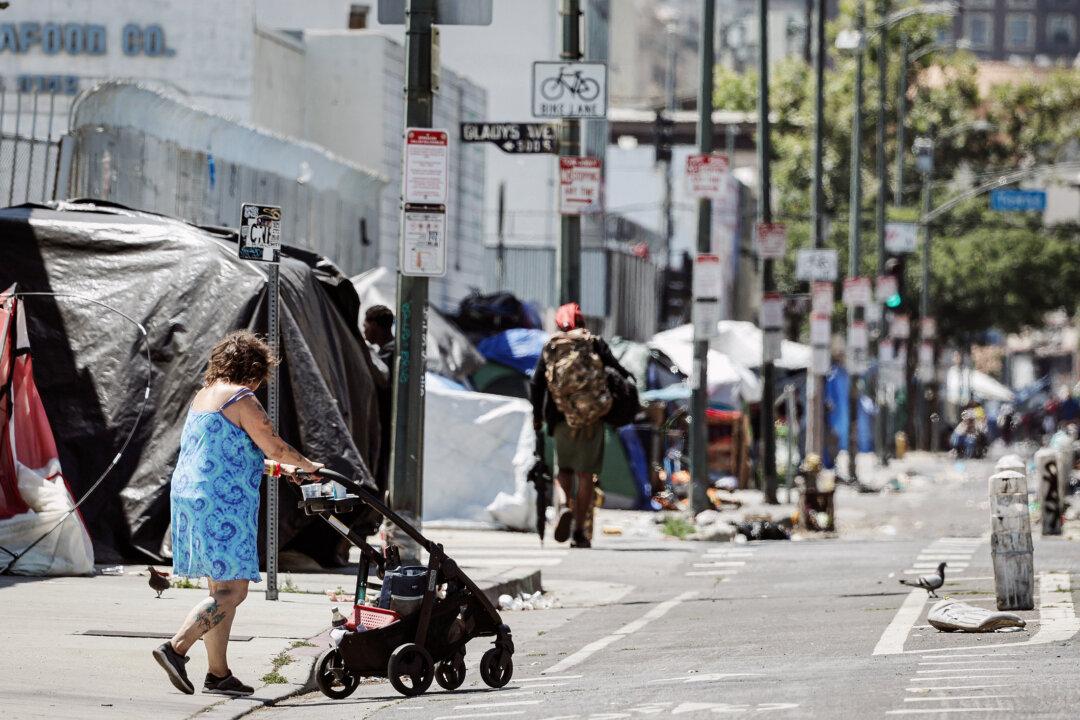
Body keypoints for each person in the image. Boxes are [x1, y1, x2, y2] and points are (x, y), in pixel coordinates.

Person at [154, 331, 323, 697]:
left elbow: (228, 453)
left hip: (192, 497)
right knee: (233, 592)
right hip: (222, 503)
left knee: (219, 589)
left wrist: (281, 470)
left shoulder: (204, 397)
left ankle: (218, 674)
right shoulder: (242, 396)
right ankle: (176, 648)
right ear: (255, 370)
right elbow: (273, 444)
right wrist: (308, 465)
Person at [531, 303, 631, 548]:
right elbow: (617, 374)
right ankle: (579, 531)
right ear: (581, 321)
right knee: (586, 475)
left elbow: (536, 384)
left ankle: (565, 505)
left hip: (561, 418)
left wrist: (538, 416)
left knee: (563, 471)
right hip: (592, 420)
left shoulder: (552, 347)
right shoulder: (594, 343)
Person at [363, 305, 396, 370]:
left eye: (365, 326)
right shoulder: (393, 349)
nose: (364, 331)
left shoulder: (388, 356)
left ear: (374, 325)